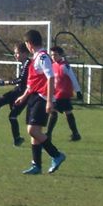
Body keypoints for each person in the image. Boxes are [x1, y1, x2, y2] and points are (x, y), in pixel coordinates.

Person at [13, 29, 66, 175]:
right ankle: (36, 165)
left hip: (42, 98)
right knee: (34, 133)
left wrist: (49, 100)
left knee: (33, 130)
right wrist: (24, 96)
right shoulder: (35, 58)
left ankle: (56, 155)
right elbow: (32, 82)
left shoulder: (43, 58)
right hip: (34, 97)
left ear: (29, 44)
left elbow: (51, 78)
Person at [47, 46, 83, 142]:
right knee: (68, 112)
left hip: (62, 94)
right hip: (57, 94)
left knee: (53, 112)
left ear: (61, 55)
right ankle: (76, 134)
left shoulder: (64, 66)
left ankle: (48, 134)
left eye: (55, 55)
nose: (53, 57)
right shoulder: (53, 65)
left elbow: (73, 78)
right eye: (52, 55)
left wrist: (78, 91)